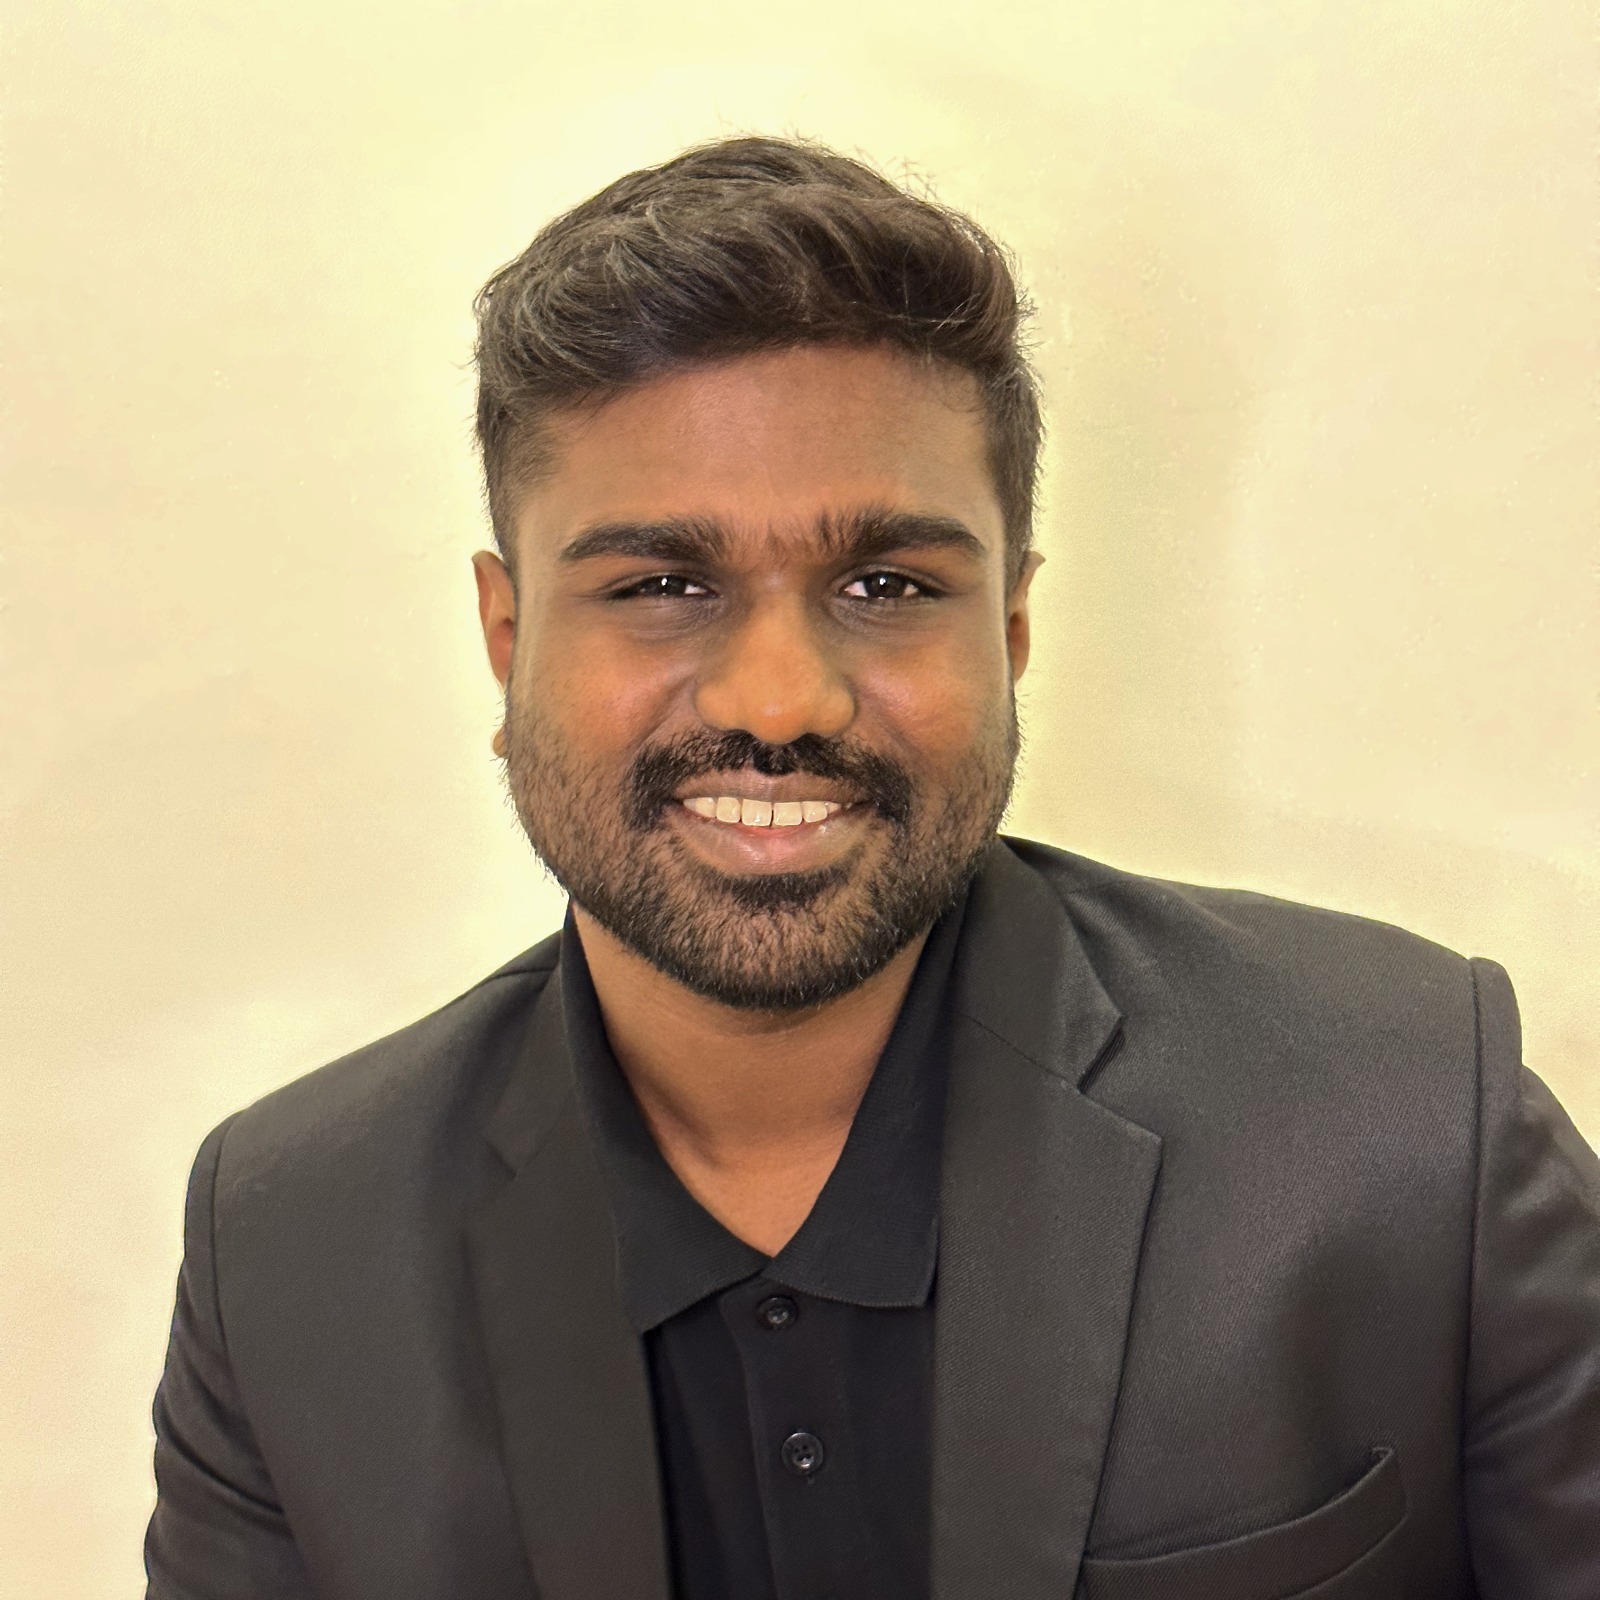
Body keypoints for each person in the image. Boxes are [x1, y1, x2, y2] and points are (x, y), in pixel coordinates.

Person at [143, 136, 1600, 1600]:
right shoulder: (285, 1253)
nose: (780, 701)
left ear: (1010, 630)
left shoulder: (1412, 1121)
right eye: (661, 584)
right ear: (508, 638)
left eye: (887, 585)